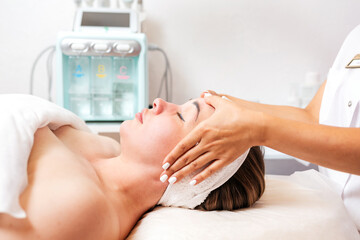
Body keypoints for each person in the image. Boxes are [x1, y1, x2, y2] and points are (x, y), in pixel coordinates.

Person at [161, 25, 360, 230]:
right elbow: (313, 119)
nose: (158, 102)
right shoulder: (355, 37)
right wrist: (226, 103)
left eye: (181, 116)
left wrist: (257, 130)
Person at [0, 97, 264, 240]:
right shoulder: (104, 149)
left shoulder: (84, 210)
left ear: (191, 169)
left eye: (182, 115)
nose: (160, 102)